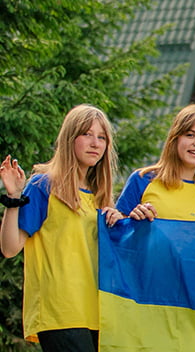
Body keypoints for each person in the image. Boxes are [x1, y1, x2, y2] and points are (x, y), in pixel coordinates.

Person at [0, 105, 124, 351]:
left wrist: (118, 223)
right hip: (60, 311)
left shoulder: (100, 197)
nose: (95, 143)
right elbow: (9, 248)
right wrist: (13, 198)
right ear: (70, 138)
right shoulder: (44, 185)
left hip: (99, 313)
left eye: (102, 138)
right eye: (87, 134)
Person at [116, 104, 195, 221]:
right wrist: (133, 219)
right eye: (190, 135)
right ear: (175, 138)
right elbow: (119, 227)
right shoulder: (142, 179)